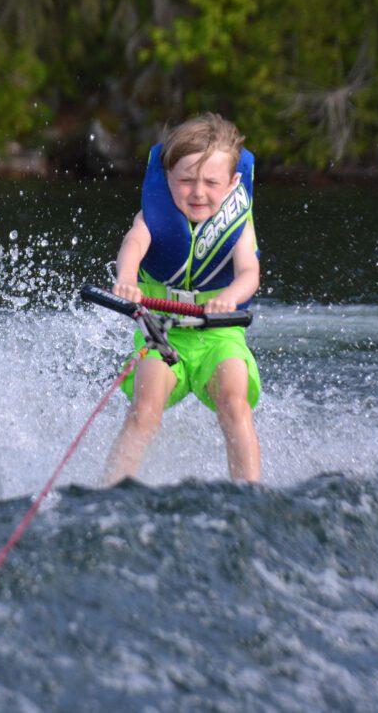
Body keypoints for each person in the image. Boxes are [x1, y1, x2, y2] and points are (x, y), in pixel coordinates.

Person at [107, 113, 261, 485]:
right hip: (160, 332)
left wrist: (228, 298)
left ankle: (250, 494)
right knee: (145, 411)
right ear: (168, 177)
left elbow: (248, 274)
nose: (197, 192)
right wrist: (127, 280)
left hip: (218, 334)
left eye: (210, 182)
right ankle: (110, 493)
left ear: (232, 183)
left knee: (233, 402)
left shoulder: (237, 227)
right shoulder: (153, 216)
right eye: (186, 180)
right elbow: (134, 242)